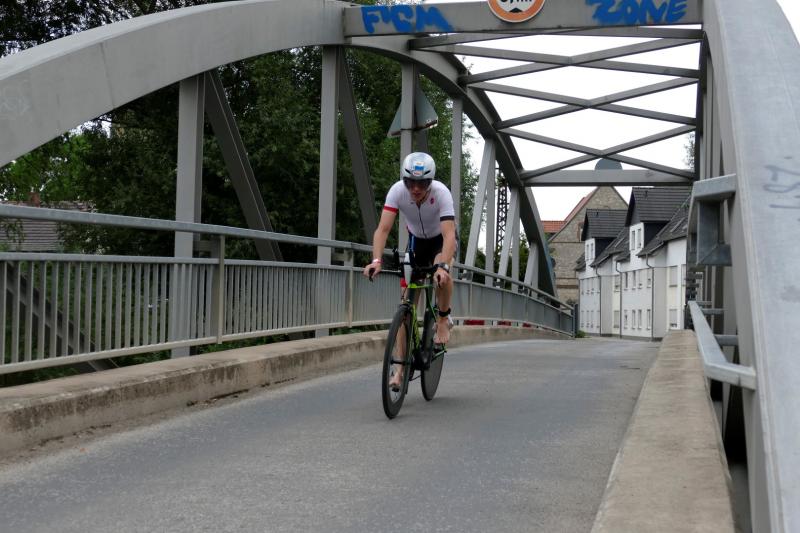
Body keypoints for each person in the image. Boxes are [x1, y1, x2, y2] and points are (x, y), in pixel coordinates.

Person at [363, 152, 457, 388]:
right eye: (410, 182)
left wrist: (443, 266)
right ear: (404, 181)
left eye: (422, 184)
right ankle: (400, 370)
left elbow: (449, 235)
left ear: (430, 182)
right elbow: (383, 229)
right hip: (416, 243)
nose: (415, 189)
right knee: (405, 309)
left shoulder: (441, 193)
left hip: (440, 243)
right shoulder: (397, 191)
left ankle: (443, 319)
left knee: (442, 276)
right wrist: (376, 260)